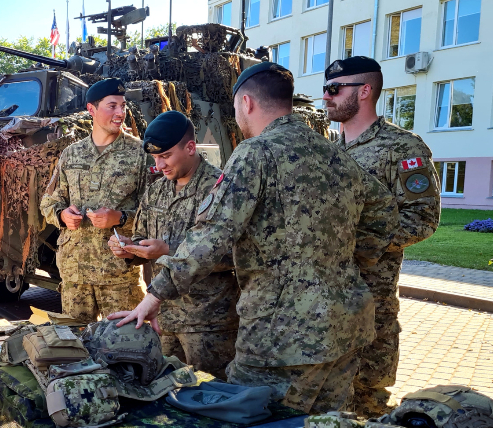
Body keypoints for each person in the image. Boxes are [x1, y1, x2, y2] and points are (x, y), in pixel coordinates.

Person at [111, 62, 398, 414]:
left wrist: (152, 299)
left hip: (280, 337)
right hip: (347, 329)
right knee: (326, 422)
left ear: (246, 103)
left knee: (253, 417)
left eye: (235, 110)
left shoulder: (255, 153)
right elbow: (384, 215)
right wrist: (348, 260)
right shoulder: (335, 155)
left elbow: (211, 234)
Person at [323, 56, 442, 416]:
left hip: (370, 302)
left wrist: (362, 243)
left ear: (364, 91)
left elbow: (423, 218)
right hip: (323, 302)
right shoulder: (327, 151)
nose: (325, 97)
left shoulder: (402, 148)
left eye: (333, 89)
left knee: (367, 400)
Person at [108, 111, 239, 380]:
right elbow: (143, 236)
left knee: (210, 399)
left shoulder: (220, 188)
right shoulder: (156, 190)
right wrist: (128, 248)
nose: (159, 165)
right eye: (155, 158)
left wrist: (167, 249)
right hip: (163, 319)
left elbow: (234, 253)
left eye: (165, 156)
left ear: (190, 147)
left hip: (208, 325)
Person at [39, 78, 155, 323]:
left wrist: (121, 218)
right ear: (91, 110)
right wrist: (62, 215)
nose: (120, 113)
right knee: (74, 349)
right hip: (74, 275)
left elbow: (155, 213)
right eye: (112, 106)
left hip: (119, 276)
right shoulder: (71, 154)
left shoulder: (139, 153)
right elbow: (48, 202)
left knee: (126, 350)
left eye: (123, 106)